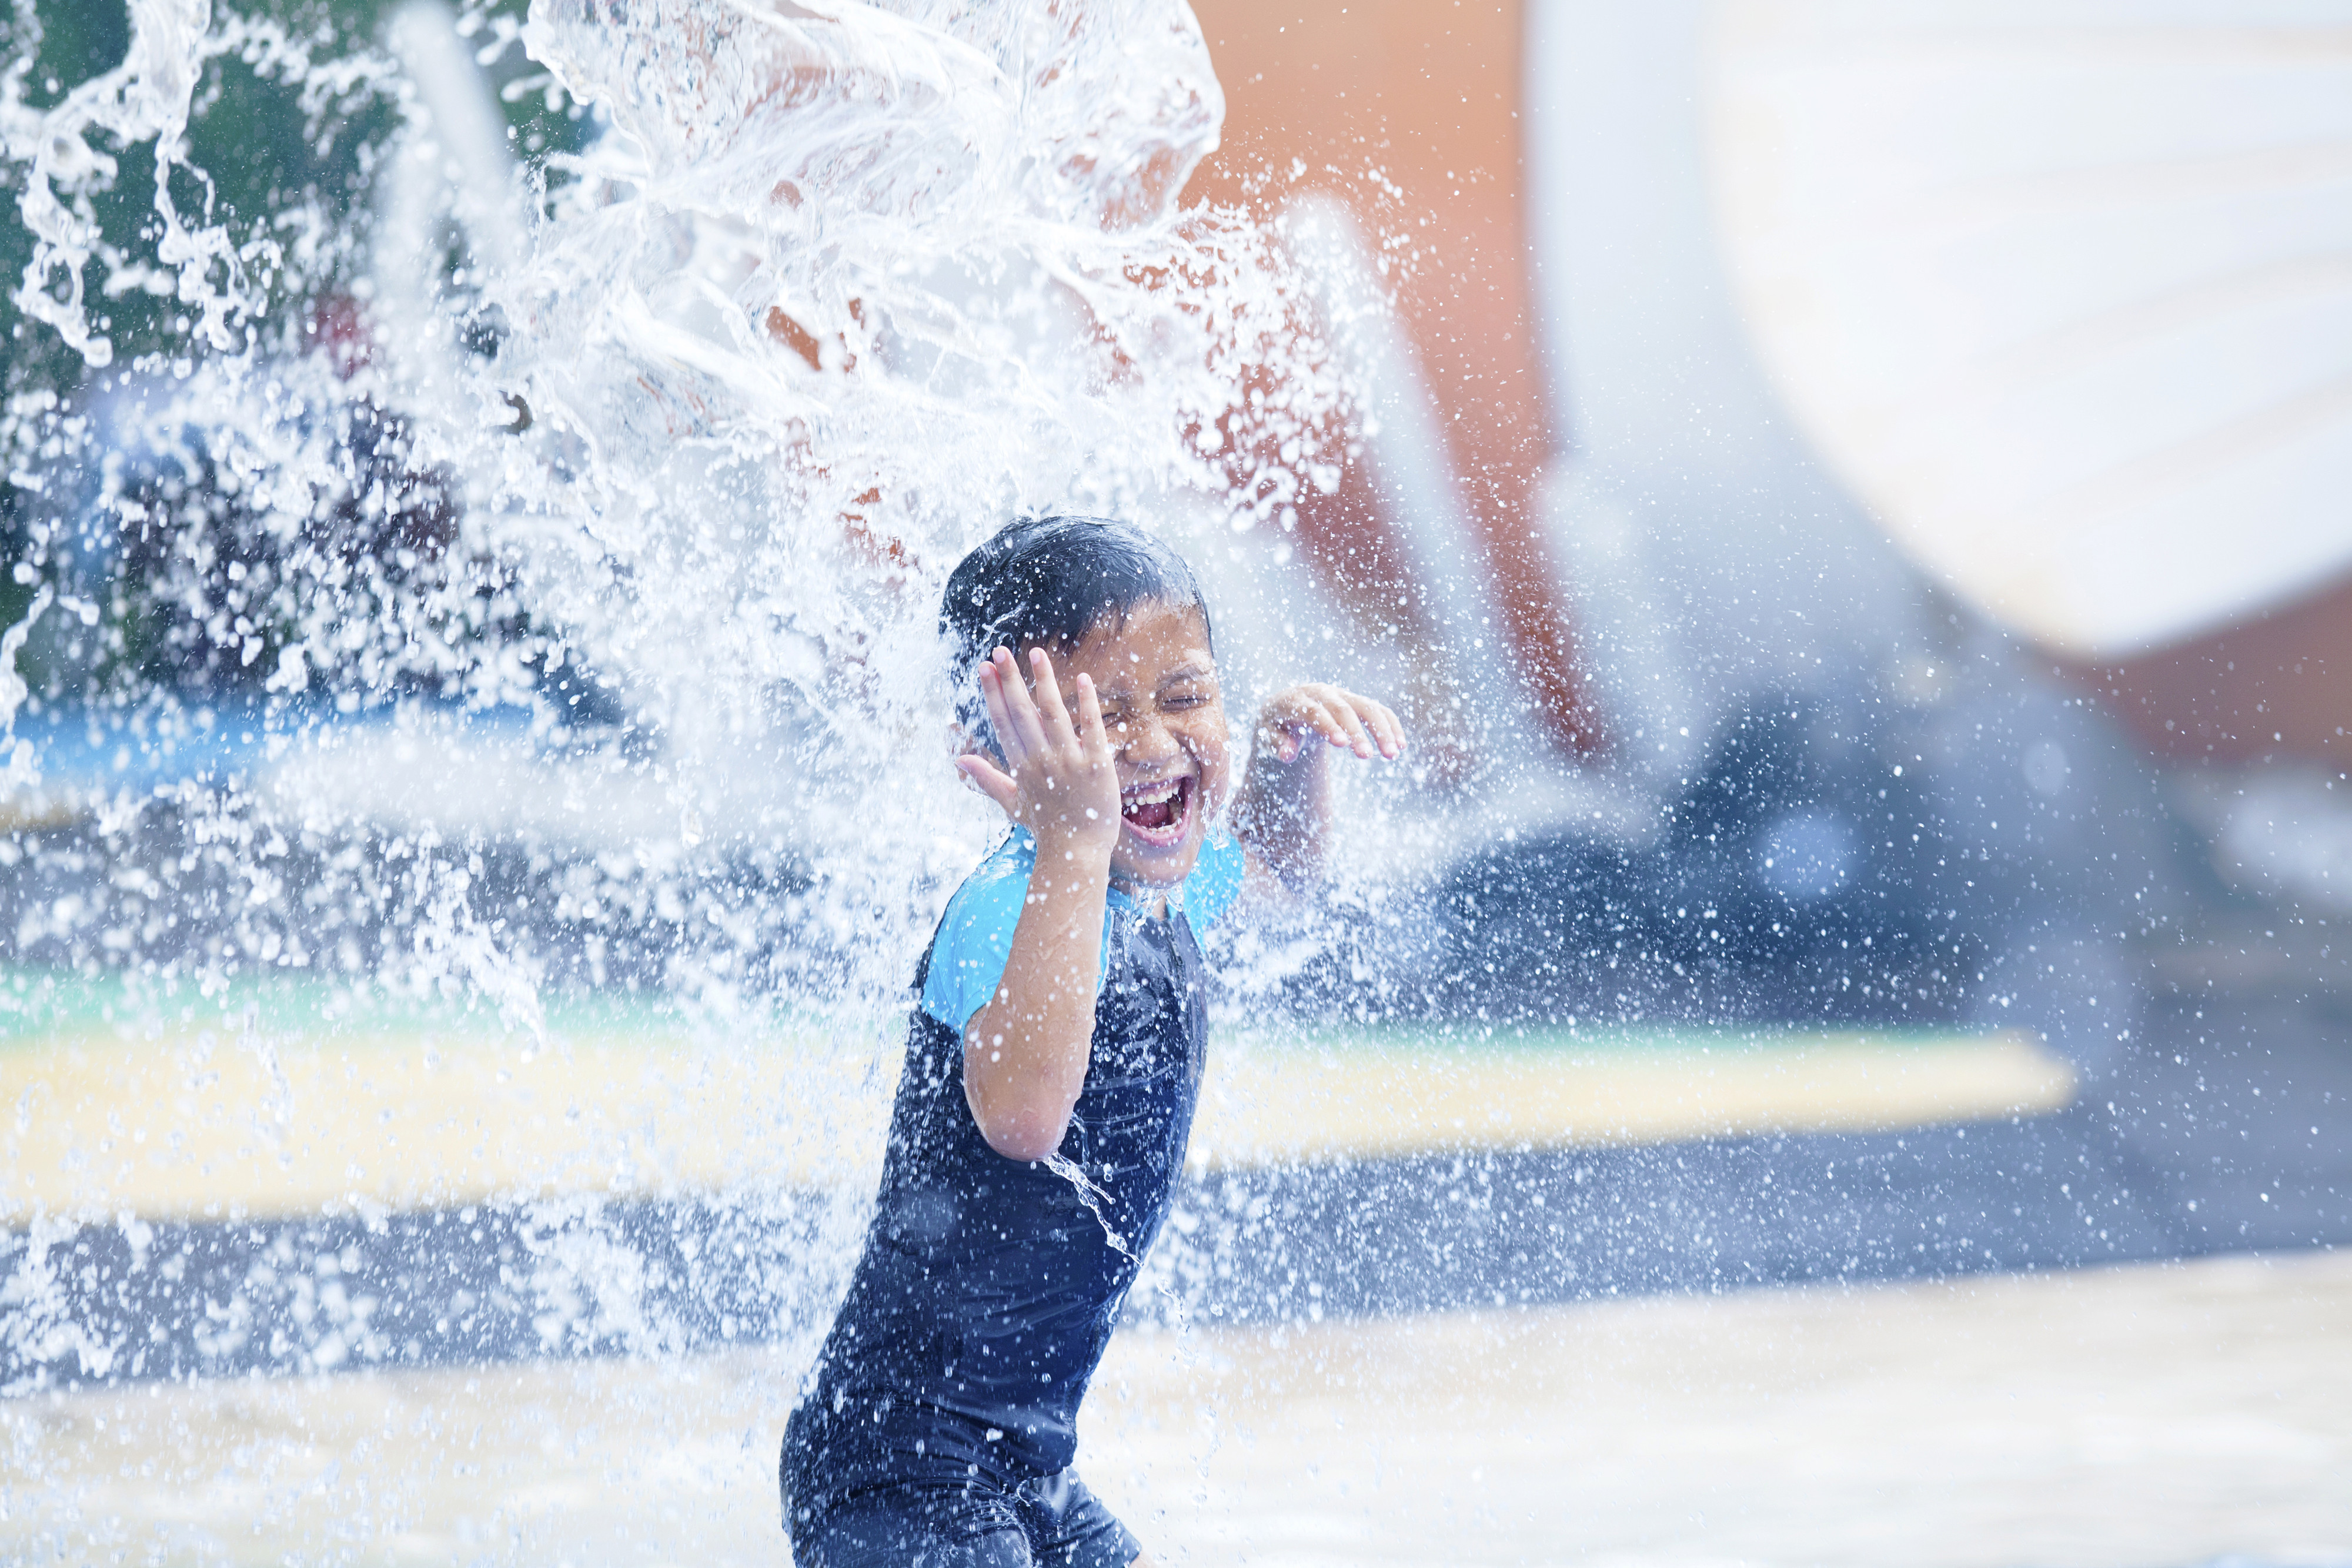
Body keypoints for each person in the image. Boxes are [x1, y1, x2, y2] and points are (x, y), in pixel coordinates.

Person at [781, 514, 1404, 1567]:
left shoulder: (1146, 893)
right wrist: (1071, 839)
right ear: (992, 750)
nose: (1153, 744)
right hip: (900, 1467)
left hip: (1022, 1465)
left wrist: (1288, 761)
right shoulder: (1010, 906)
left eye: (1186, 697)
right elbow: (1024, 1120)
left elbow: (1281, 874)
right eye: (1097, 720)